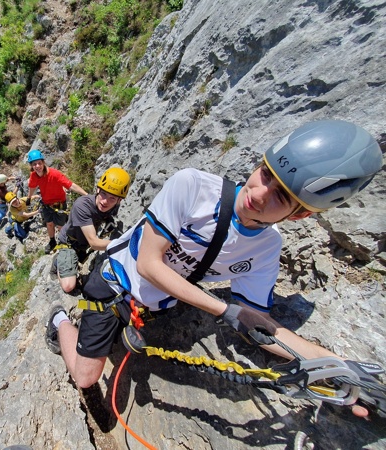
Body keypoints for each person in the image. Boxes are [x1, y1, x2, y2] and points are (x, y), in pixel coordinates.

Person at [45, 120, 383, 416]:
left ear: (300, 215)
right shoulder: (192, 186)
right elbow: (148, 264)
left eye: (280, 196)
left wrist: (334, 368)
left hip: (153, 306)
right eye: (265, 173)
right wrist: (224, 309)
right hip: (114, 283)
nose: (260, 193)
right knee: (86, 377)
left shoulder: (266, 249)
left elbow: (258, 324)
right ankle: (59, 320)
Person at [51, 167, 131, 293]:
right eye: (103, 194)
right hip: (68, 244)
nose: (105, 202)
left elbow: (107, 215)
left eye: (112, 198)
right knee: (69, 286)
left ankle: (70, 262)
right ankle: (58, 261)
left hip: (83, 244)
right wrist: (126, 244)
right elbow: (94, 242)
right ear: (98, 189)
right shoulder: (82, 206)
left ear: (119, 200)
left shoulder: (113, 205)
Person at [26, 149, 88, 253]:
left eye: (39, 163)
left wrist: (86, 195)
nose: (37, 166)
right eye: (34, 164)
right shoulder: (34, 175)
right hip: (46, 203)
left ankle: (65, 242)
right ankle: (52, 242)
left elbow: (70, 185)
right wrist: (29, 197)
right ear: (31, 165)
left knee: (60, 225)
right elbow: (32, 187)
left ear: (43, 162)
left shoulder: (55, 174)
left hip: (59, 202)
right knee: (49, 224)